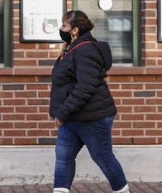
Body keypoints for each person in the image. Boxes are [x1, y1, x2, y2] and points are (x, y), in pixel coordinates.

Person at [49, 10, 129, 193]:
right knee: (63, 157)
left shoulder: (86, 50)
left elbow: (85, 87)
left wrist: (62, 112)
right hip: (72, 117)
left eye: (64, 25)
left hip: (92, 117)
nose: (61, 29)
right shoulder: (71, 48)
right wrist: (64, 112)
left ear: (74, 30)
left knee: (103, 158)